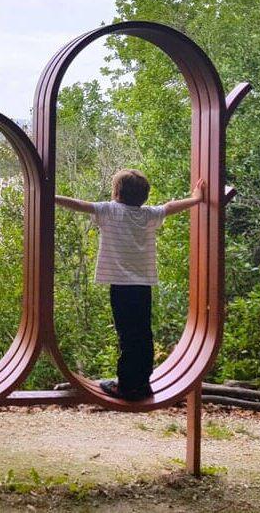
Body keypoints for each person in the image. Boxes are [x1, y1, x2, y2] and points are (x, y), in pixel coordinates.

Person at [56, 170, 205, 400]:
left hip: (121, 287)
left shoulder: (109, 210)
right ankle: (141, 383)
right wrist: (196, 199)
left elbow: (79, 205)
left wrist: (52, 197)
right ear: (144, 196)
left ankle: (126, 387)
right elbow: (170, 207)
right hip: (143, 286)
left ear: (116, 192)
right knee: (142, 335)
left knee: (127, 336)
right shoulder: (148, 215)